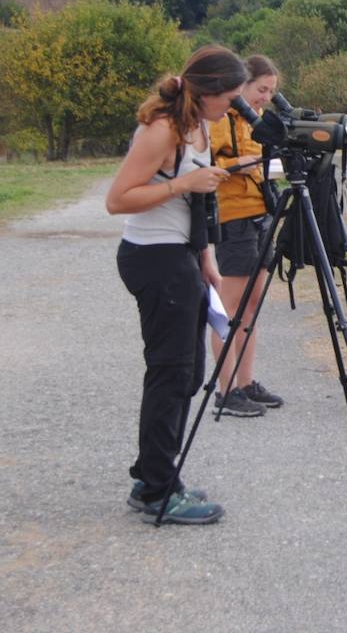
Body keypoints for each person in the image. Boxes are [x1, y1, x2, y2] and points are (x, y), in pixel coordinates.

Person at [105, 45, 248, 525]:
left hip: (183, 256)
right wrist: (182, 185)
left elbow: (199, 206)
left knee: (188, 375)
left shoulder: (200, 126)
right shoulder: (162, 129)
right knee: (170, 373)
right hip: (153, 257)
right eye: (228, 98)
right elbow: (118, 199)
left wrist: (206, 256)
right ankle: (156, 491)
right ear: (205, 92)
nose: (232, 108)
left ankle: (156, 475)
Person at [207, 55, 283, 418]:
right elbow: (204, 164)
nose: (265, 98)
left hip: (261, 214)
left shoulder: (259, 123)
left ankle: (247, 381)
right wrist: (243, 165)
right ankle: (227, 389)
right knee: (230, 309)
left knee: (252, 305)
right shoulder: (223, 120)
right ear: (244, 86)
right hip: (234, 217)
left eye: (271, 91)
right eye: (261, 89)